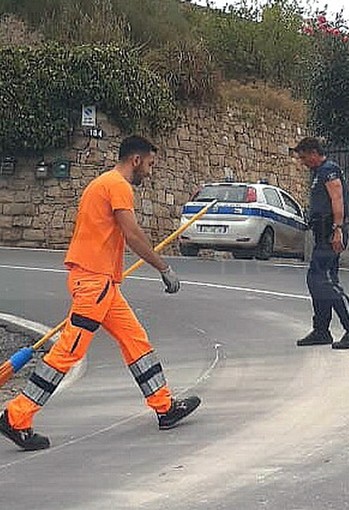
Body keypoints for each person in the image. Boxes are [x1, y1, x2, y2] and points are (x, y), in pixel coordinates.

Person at [0, 135, 200, 451]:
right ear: (136, 160)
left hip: (102, 284)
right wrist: (163, 268)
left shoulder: (101, 183)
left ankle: (164, 407)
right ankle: (16, 416)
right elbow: (132, 234)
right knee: (68, 351)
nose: (149, 171)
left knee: (135, 340)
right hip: (94, 284)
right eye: (149, 164)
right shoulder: (118, 186)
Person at [292, 137, 349, 349]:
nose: (302, 161)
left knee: (323, 281)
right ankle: (321, 330)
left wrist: (338, 229)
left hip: (330, 232)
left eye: (304, 156)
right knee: (317, 281)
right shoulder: (317, 172)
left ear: (314, 152)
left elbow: (337, 198)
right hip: (321, 233)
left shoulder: (329, 170)